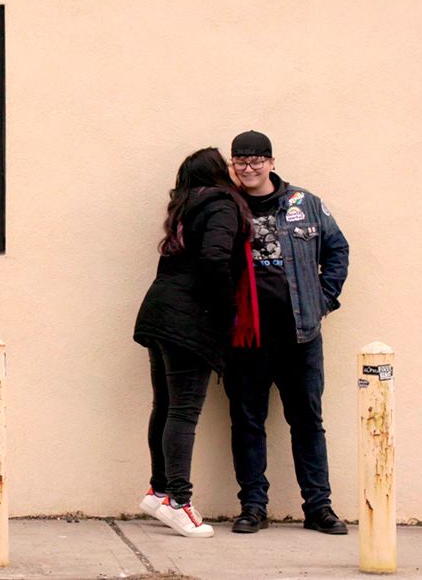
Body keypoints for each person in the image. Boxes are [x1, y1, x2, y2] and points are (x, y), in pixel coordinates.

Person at [224, 130, 350, 535]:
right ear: (233, 164)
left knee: (308, 421)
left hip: (300, 335)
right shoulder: (226, 206)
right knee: (247, 422)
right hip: (246, 339)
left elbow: (337, 250)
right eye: (241, 160)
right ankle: (253, 506)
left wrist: (324, 300)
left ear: (272, 163)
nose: (249, 167)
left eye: (257, 159)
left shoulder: (304, 204)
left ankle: (318, 507)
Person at [133, 148, 255, 538]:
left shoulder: (186, 207)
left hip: (160, 311)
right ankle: (177, 501)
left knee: (166, 406)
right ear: (218, 173)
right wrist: (226, 309)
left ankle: (160, 490)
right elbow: (215, 259)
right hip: (190, 319)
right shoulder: (221, 205)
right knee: (184, 411)